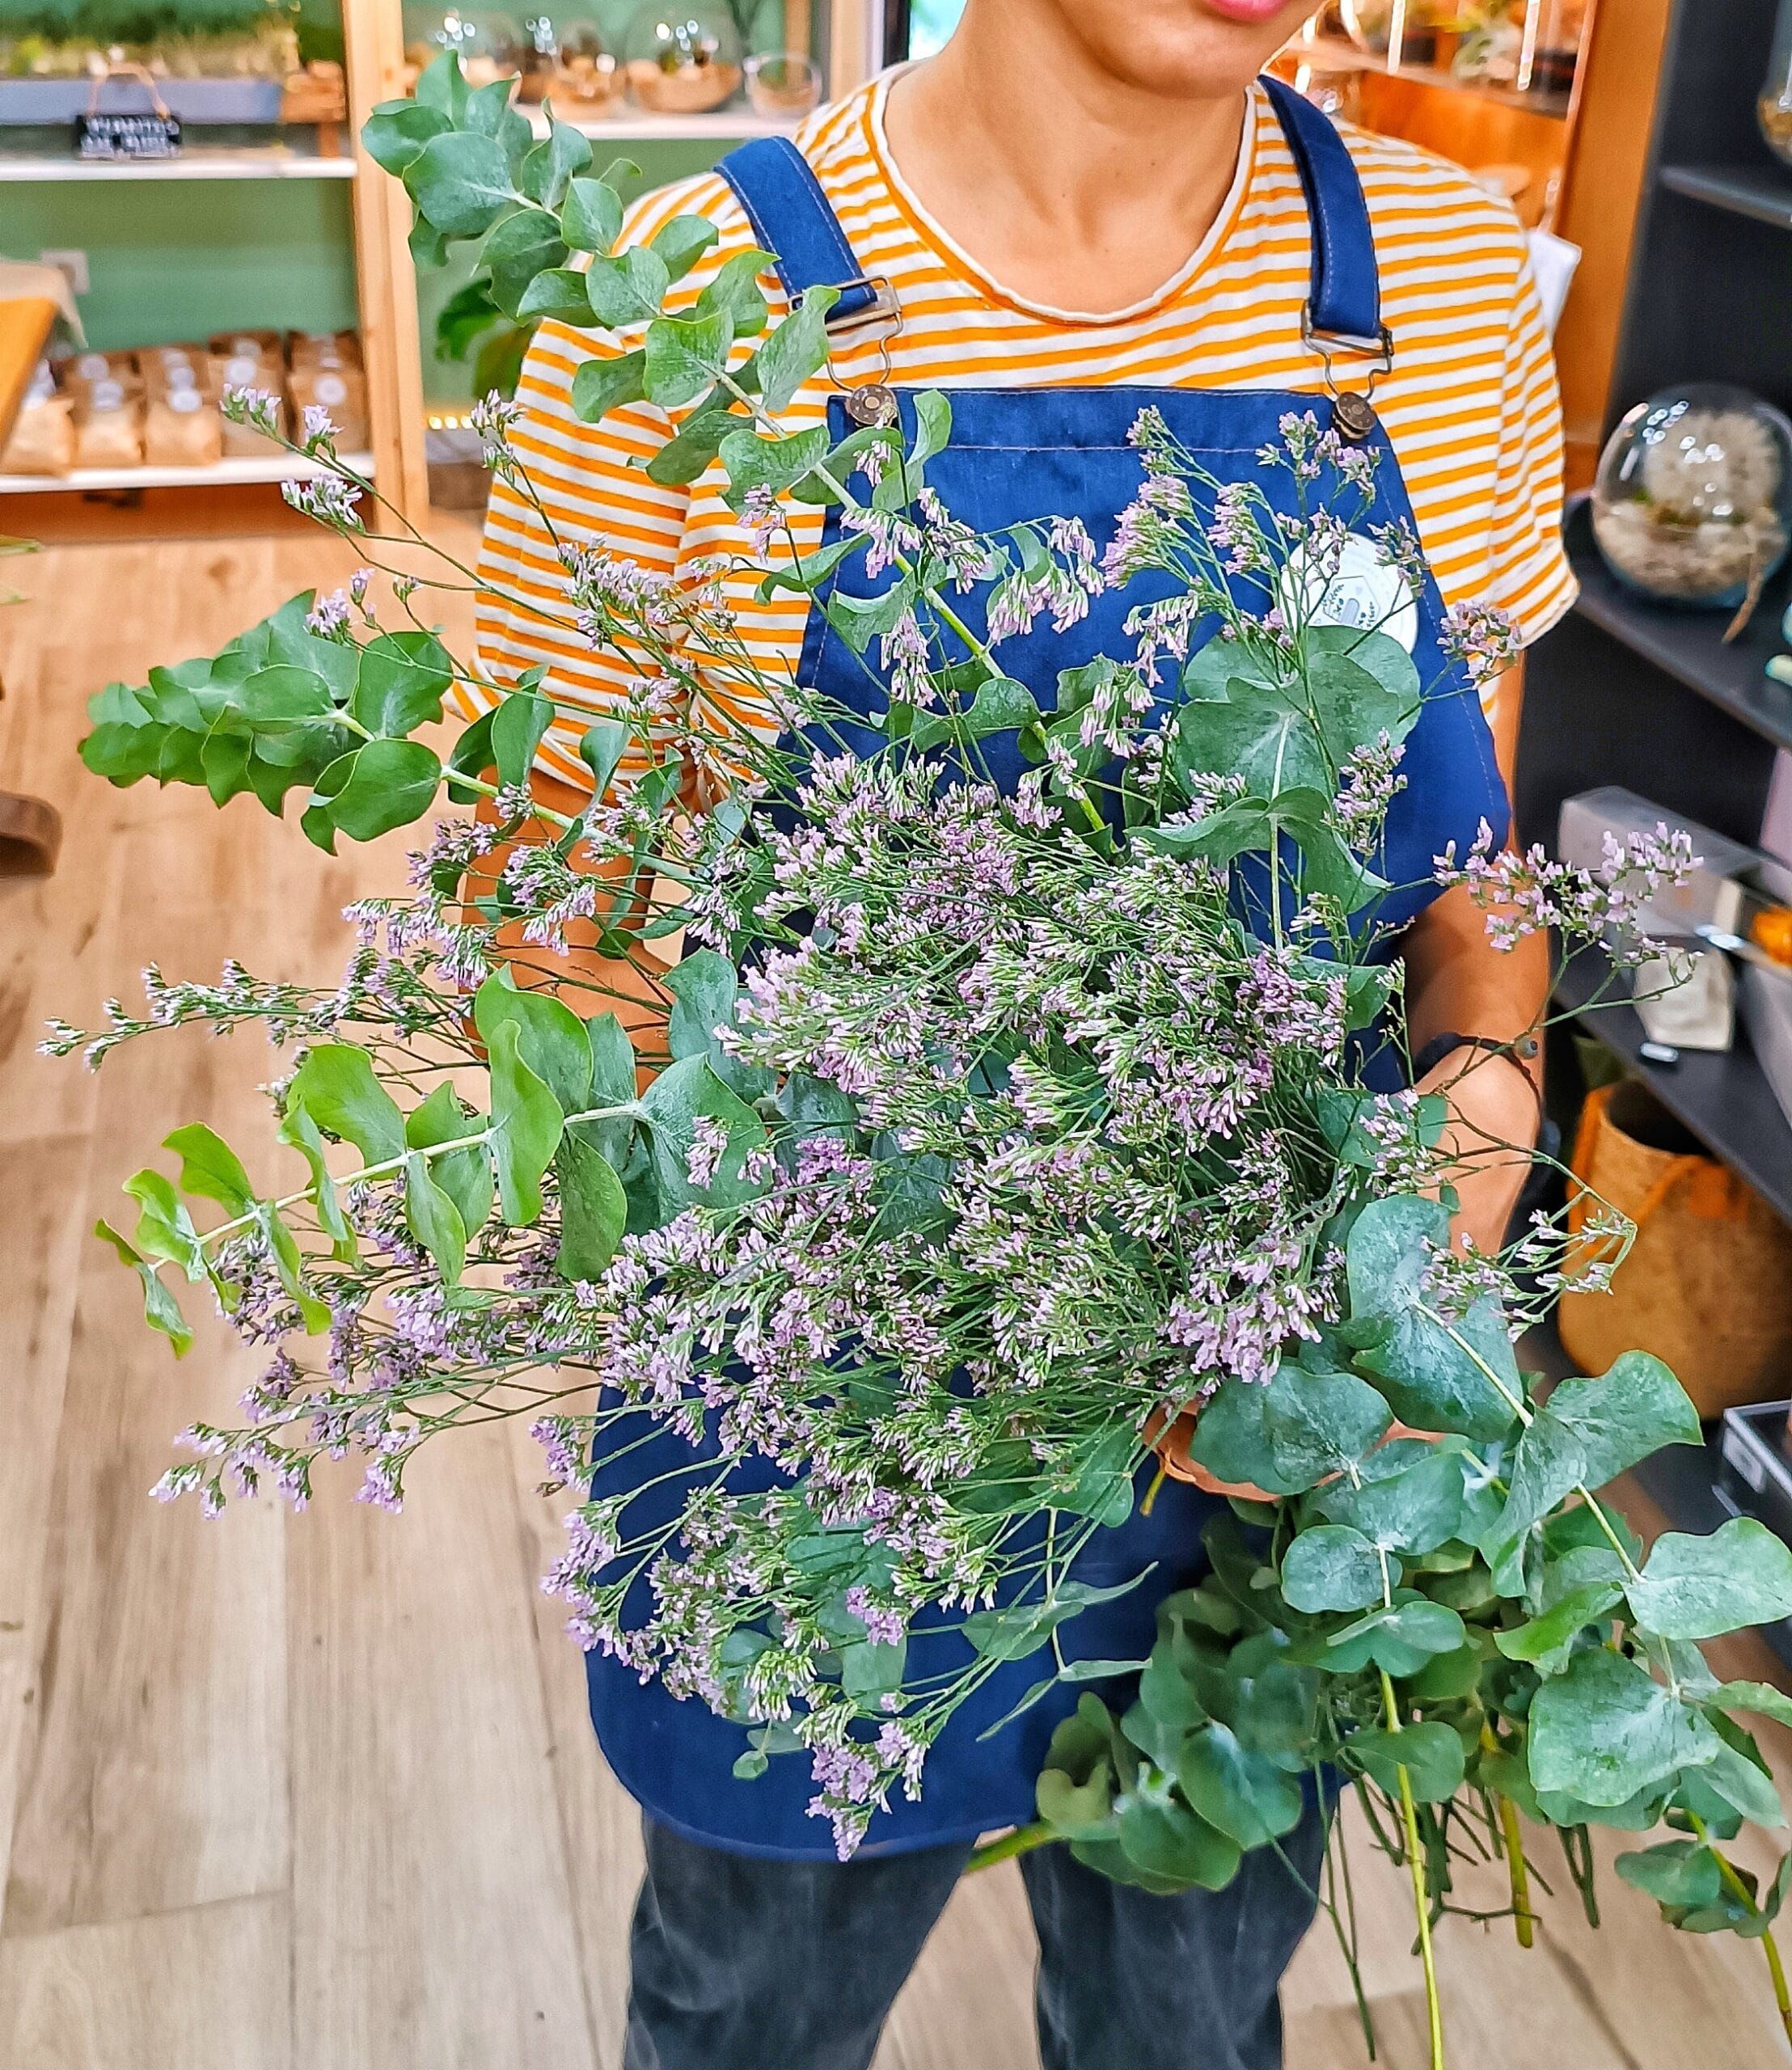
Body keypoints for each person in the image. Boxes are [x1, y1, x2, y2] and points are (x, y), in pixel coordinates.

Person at [467, 3, 1570, 2063]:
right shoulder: (690, 309)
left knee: (1186, 2004)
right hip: (829, 1432)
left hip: (1263, 1405)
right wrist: (928, 1246)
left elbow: (1466, 869)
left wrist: (1475, 1105)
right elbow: (558, 939)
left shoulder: (1437, 277)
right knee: (753, 1999)